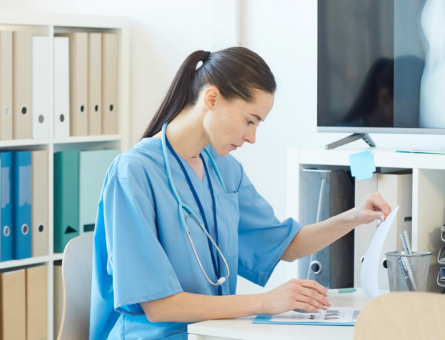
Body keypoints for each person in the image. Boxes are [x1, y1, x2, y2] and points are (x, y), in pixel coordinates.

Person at [89, 47, 391, 339]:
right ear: (211, 98)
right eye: (250, 120)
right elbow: (157, 305)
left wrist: (355, 216)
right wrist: (265, 301)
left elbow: (284, 243)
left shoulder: (224, 169)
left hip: (213, 332)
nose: (253, 137)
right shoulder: (133, 173)